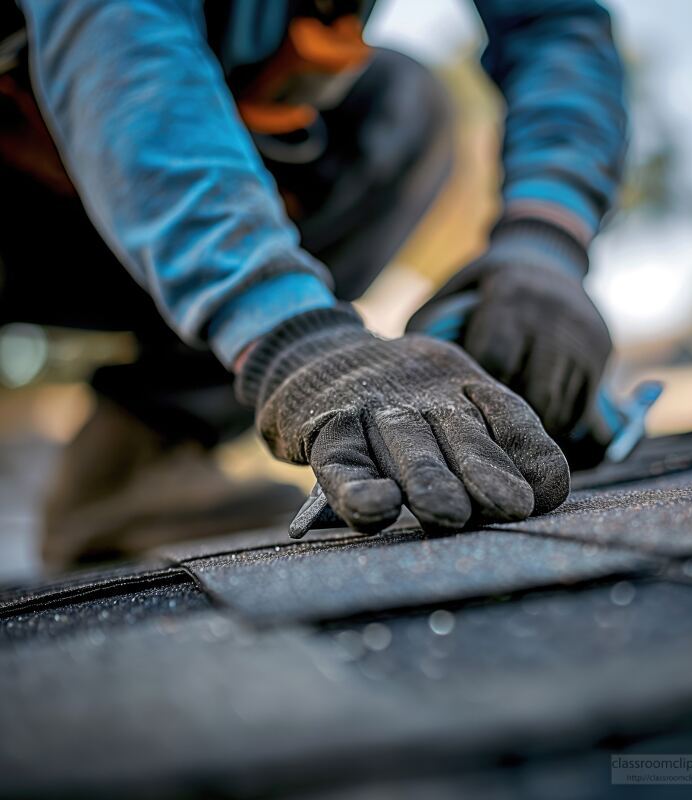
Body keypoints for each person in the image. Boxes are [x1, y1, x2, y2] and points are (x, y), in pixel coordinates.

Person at [0, 0, 626, 565]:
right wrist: (292, 334)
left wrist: (543, 243)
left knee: (396, 108)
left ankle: (127, 475)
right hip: (34, 181)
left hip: (137, 212)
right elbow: (119, 44)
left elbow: (554, 24)